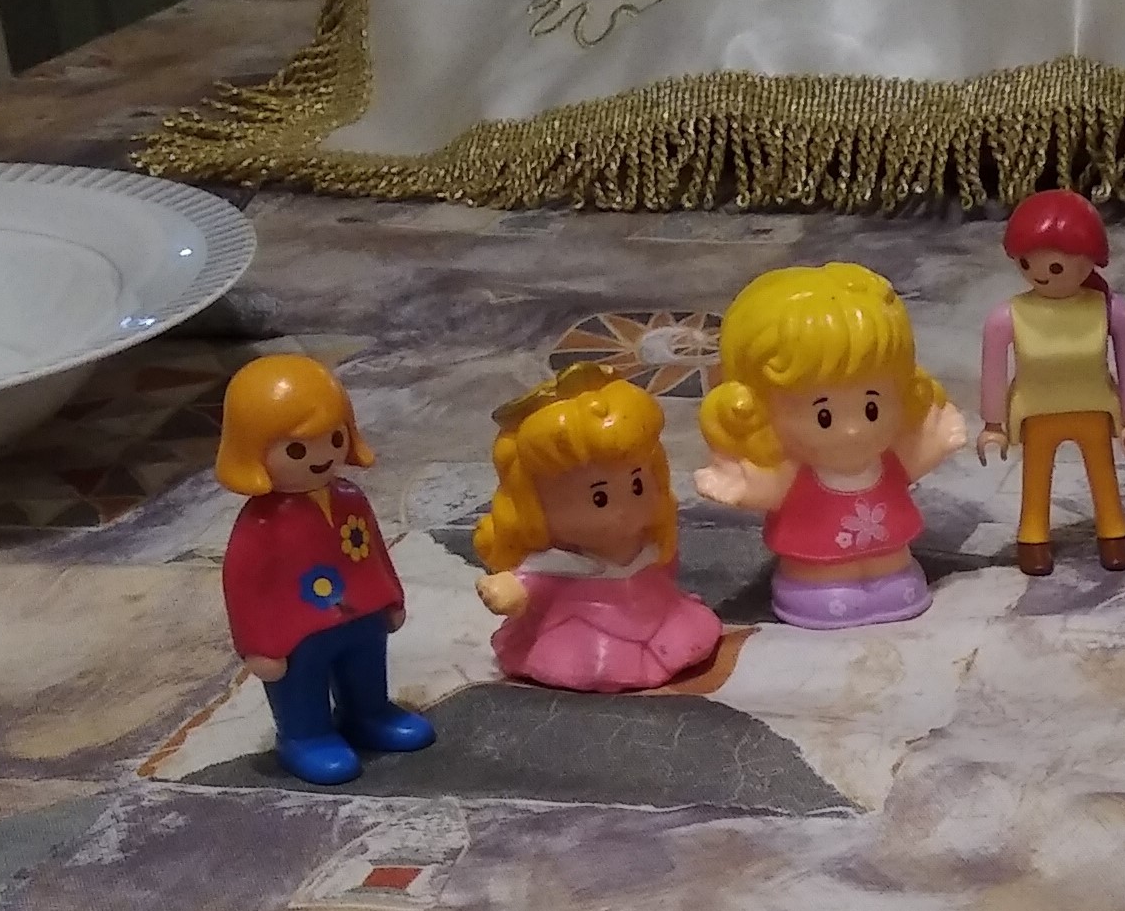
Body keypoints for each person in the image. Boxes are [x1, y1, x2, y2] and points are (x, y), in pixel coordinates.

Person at [695, 263, 971, 628]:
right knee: (824, 584)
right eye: (823, 416)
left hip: (894, 560)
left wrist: (935, 441)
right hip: (815, 567)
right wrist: (741, 484)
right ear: (760, 408)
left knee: (896, 573)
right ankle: (821, 585)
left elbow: (910, 463)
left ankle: (889, 578)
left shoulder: (885, 457)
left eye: (872, 408)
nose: (853, 431)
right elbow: (771, 489)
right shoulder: (794, 470)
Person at [217, 354, 437, 784]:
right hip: (296, 631)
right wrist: (257, 646)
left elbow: (374, 551)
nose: (322, 457)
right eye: (297, 449)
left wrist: (392, 597)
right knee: (300, 686)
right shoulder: (261, 523)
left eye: (335, 438)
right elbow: (243, 585)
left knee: (367, 670)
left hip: (363, 614)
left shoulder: (350, 498)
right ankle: (304, 736)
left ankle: (369, 713)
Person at [472, 367, 725, 690]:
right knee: (589, 657)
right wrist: (508, 590)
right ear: (532, 506)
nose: (625, 510)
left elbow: (663, 562)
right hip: (585, 629)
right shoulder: (563, 563)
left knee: (681, 631)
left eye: (637, 484)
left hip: (658, 610)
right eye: (600, 497)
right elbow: (532, 581)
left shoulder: (644, 542)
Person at [974, 190, 1125, 576]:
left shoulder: (1110, 310)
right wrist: (992, 425)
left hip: (1094, 407)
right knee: (1035, 480)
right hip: (1036, 411)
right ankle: (1033, 537)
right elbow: (994, 371)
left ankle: (1114, 533)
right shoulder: (1008, 316)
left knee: (1103, 477)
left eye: (1056, 266)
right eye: (1026, 262)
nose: (1040, 274)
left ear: (1089, 259)